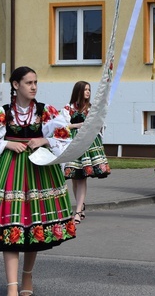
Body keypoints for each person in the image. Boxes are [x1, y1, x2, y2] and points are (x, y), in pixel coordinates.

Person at [0, 66, 75, 296]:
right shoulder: (1, 113)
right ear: (15, 85)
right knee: (9, 225)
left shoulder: (45, 111)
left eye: (35, 82)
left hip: (38, 172)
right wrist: (7, 144)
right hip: (8, 171)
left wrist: (43, 140)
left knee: (34, 226)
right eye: (29, 82)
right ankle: (12, 286)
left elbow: (64, 137)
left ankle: (27, 277)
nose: (33, 87)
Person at [62, 81, 111, 225]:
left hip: (88, 143)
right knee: (75, 177)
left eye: (89, 89)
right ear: (78, 91)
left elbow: (100, 124)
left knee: (82, 176)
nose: (88, 92)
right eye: (85, 90)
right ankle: (80, 206)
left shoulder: (92, 108)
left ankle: (77, 211)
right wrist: (77, 125)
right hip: (73, 143)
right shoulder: (68, 108)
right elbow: (62, 125)